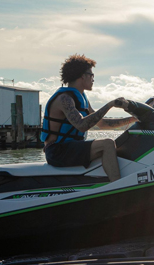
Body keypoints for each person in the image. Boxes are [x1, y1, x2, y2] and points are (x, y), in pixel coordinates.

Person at [41, 54, 135, 182]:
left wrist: (132, 119)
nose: (93, 79)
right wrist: (110, 105)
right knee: (107, 144)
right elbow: (82, 125)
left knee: (116, 144)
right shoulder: (64, 99)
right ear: (82, 76)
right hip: (57, 152)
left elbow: (101, 124)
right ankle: (119, 186)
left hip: (70, 148)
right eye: (91, 75)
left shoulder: (82, 98)